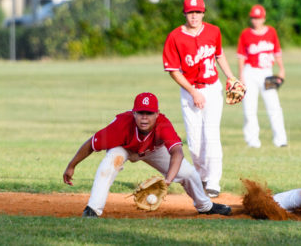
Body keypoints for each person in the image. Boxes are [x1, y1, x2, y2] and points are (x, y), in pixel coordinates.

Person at [62, 92, 232, 217]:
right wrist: (71, 166)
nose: (144, 118)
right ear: (133, 113)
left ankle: (205, 206)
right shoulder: (121, 126)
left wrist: (167, 182)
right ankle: (93, 209)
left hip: (153, 149)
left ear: (157, 114)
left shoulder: (163, 125)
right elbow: (91, 144)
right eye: (140, 113)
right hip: (125, 147)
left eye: (149, 113)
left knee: (188, 173)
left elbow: (177, 153)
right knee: (109, 163)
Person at [162, 0, 237, 198]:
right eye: (190, 12)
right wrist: (193, 92)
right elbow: (173, 71)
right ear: (185, 14)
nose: (194, 16)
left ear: (203, 13)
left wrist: (230, 76)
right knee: (195, 143)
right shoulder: (175, 37)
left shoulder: (214, 31)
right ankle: (202, 177)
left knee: (211, 136)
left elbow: (219, 54)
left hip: (212, 89)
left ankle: (213, 181)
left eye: (197, 12)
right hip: (189, 91)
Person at [237, 4, 287, 148]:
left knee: (274, 105)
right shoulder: (246, 34)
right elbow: (241, 56)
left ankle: (280, 140)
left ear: (264, 18)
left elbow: (277, 52)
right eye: (253, 18)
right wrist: (241, 76)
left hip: (267, 73)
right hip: (250, 72)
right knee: (249, 107)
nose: (256, 21)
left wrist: (282, 69)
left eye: (258, 18)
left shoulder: (271, 32)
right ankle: (252, 141)